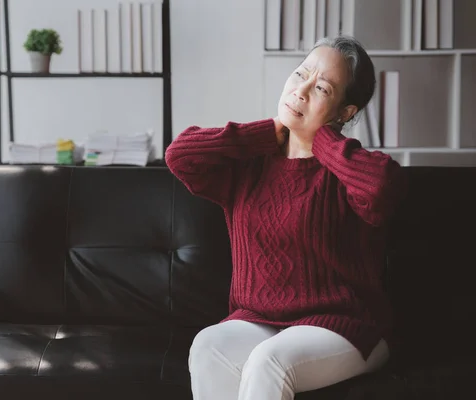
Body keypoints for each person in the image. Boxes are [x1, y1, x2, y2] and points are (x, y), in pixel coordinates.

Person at [164, 35, 407, 400]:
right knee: (208, 345)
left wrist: (321, 140)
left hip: (345, 325)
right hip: (258, 319)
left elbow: (382, 186)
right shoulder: (250, 166)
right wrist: (265, 133)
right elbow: (180, 155)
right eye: (300, 74)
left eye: (321, 87)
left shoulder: (347, 171)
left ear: (345, 112)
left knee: (268, 361)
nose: (302, 90)